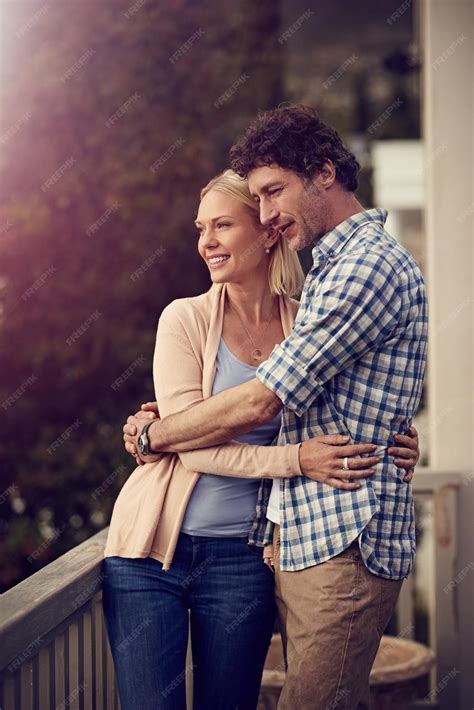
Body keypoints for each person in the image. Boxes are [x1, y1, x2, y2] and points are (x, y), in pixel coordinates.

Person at [122, 105, 428, 710]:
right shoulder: (328, 270)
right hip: (296, 540)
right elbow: (332, 399)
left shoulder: (361, 268)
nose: (267, 213)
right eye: (256, 200)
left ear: (322, 174)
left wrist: (156, 436)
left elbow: (267, 397)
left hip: (343, 538)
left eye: (272, 193)